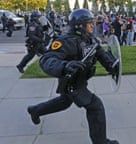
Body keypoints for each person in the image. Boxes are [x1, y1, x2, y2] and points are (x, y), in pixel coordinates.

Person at [26, 8, 119, 144]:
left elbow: (100, 53)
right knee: (95, 106)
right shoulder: (65, 41)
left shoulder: (89, 39)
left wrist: (112, 66)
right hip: (72, 82)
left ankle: (35, 110)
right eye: (89, 23)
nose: (93, 25)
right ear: (79, 25)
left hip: (80, 79)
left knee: (64, 102)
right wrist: (64, 66)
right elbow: (47, 59)